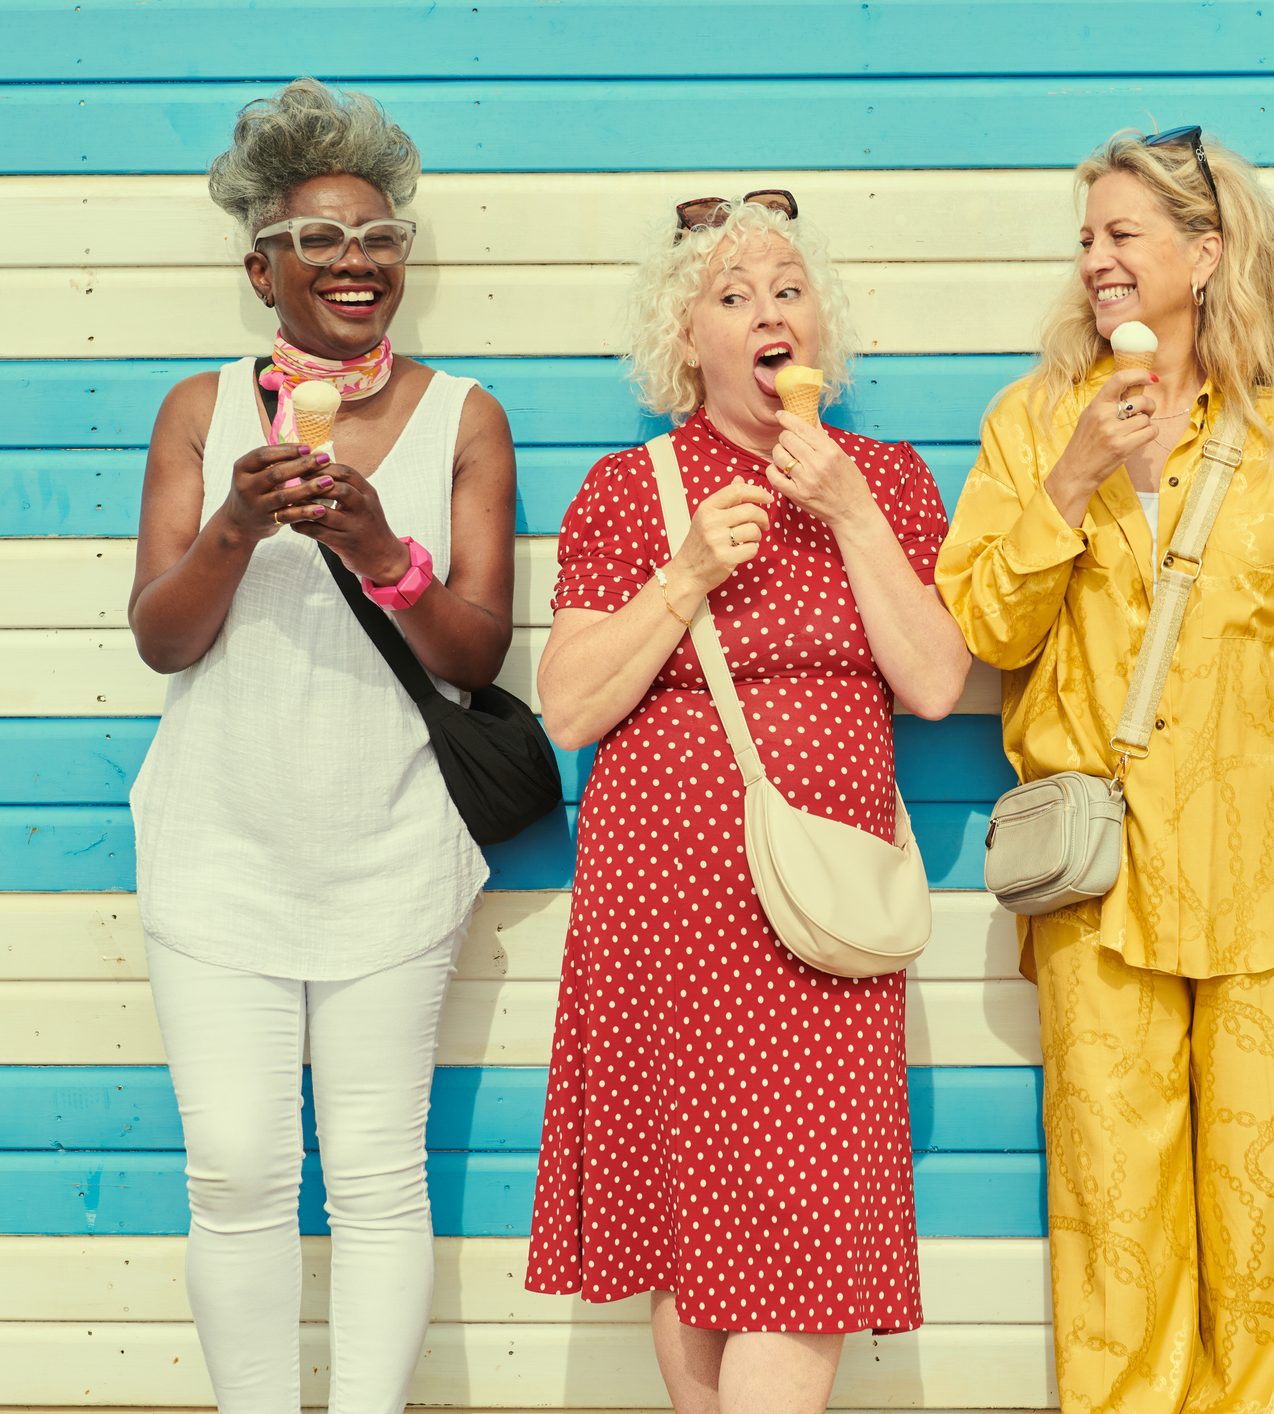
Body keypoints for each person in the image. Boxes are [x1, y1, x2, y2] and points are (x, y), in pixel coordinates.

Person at [936, 129, 1274, 1413]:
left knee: (1269, 1211)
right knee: (1115, 1225)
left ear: (1204, 256)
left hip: (1270, 874)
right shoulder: (1031, 421)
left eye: (1122, 235)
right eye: (1086, 237)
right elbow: (985, 626)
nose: (1095, 259)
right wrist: (1073, 476)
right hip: (1098, 884)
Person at [523, 191, 972, 1414]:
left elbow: (935, 683)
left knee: (803, 1244)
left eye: (788, 287)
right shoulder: (631, 492)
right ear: (686, 344)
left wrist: (849, 514)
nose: (769, 310)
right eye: (733, 296)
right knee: (691, 1232)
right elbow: (565, 709)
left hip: (819, 919)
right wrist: (687, 575)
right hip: (667, 917)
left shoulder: (883, 477)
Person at [125, 78, 518, 1412]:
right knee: (233, 1166)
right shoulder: (199, 412)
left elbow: (473, 655)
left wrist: (372, 546)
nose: (359, 260)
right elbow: (163, 639)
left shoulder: (465, 414)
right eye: (324, 240)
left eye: (380, 235)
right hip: (218, 846)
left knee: (374, 1171)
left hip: (392, 845)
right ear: (261, 268)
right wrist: (235, 527)